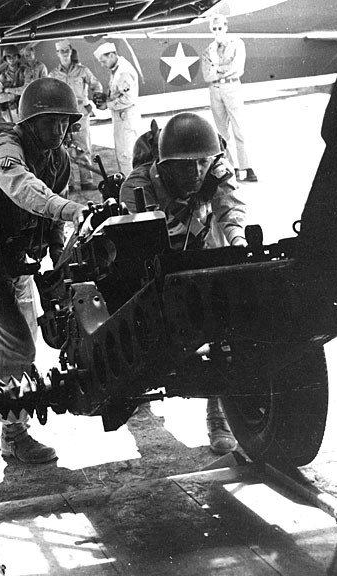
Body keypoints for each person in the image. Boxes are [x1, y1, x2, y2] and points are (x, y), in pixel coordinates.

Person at [0, 77, 88, 463]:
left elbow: (51, 226)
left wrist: (58, 264)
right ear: (28, 121)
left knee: (15, 345)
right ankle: (13, 434)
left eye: (64, 122)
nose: (58, 130)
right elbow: (22, 188)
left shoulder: (58, 158)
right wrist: (67, 207)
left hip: (20, 265)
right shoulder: (4, 148)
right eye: (49, 122)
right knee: (19, 349)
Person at [120, 112, 246, 454]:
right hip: (155, 265)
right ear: (163, 164)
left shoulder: (215, 168)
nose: (194, 173)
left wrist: (238, 244)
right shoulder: (137, 187)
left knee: (227, 320)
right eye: (183, 166)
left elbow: (230, 210)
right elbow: (159, 241)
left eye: (201, 163)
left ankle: (219, 414)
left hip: (203, 251)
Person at [201, 14, 258, 182]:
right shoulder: (208, 49)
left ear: (226, 27)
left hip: (232, 87)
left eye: (220, 27)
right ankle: (230, 167)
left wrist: (217, 69)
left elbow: (237, 68)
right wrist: (222, 69)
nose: (217, 31)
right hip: (215, 90)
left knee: (239, 129)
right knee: (222, 131)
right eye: (214, 28)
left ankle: (247, 166)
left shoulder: (237, 44)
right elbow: (207, 75)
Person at [48, 39, 103, 193]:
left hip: (80, 113)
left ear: (71, 52)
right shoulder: (53, 74)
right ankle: (69, 183)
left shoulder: (83, 70)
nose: (65, 54)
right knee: (63, 149)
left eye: (67, 51)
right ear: (57, 54)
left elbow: (96, 85)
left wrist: (96, 97)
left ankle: (86, 181)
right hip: (63, 115)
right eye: (61, 51)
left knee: (83, 148)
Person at [92, 42, 141, 176]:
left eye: (103, 61)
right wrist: (105, 98)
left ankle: (131, 190)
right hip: (121, 119)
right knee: (122, 156)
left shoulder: (123, 72)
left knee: (127, 157)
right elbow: (117, 93)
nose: (102, 65)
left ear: (112, 55)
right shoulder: (116, 71)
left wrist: (107, 105)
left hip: (126, 121)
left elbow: (128, 98)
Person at [0, 45, 24, 123]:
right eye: (9, 57)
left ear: (18, 57)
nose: (11, 59)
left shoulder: (25, 71)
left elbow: (26, 89)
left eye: (14, 56)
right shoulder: (3, 77)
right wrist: (14, 96)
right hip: (11, 113)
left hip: (26, 109)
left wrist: (8, 90)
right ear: (5, 60)